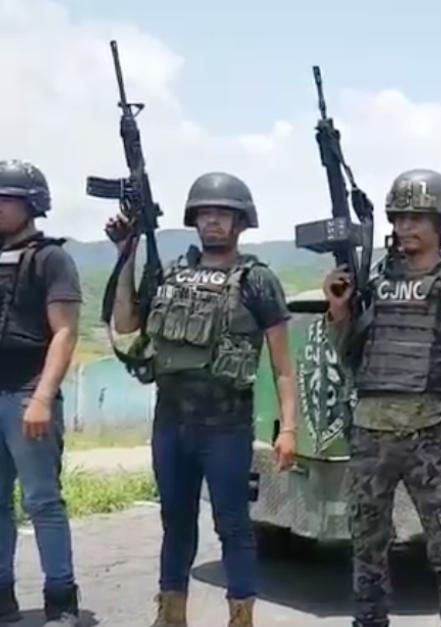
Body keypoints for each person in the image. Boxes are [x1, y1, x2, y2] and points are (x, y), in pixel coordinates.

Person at [107, 172, 298, 627]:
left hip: (226, 425)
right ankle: (170, 615)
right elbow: (126, 323)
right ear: (194, 219)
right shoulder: (171, 273)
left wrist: (288, 429)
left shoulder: (257, 281)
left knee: (232, 525)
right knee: (175, 522)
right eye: (205, 213)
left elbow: (283, 366)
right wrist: (126, 254)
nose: (213, 221)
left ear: (241, 222)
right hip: (171, 421)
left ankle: (241, 617)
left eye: (223, 214)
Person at [324, 168, 441, 627]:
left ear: (440, 223)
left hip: (429, 436)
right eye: (399, 218)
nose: (405, 227)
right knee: (367, 549)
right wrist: (339, 312)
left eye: (416, 217)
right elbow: (349, 358)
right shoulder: (372, 283)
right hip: (370, 436)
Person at [0, 160, 82, 626]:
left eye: (5, 199)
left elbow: (65, 333)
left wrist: (42, 398)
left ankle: (61, 599)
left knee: (43, 501)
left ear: (30, 203)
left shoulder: (52, 259)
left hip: (29, 392)